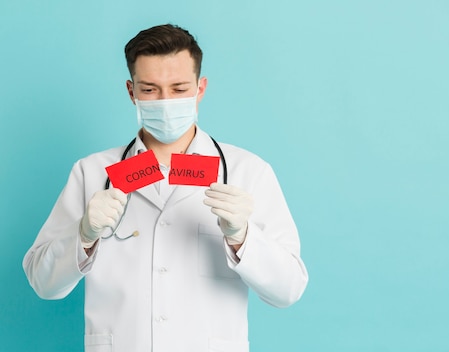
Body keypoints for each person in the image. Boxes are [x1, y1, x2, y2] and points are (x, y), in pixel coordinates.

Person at [23, 24, 308, 352]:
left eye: (179, 88)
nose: (165, 101)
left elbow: (288, 290)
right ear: (131, 92)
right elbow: (43, 283)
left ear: (200, 89)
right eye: (150, 90)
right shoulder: (92, 173)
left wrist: (243, 237)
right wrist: (84, 234)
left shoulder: (247, 171)